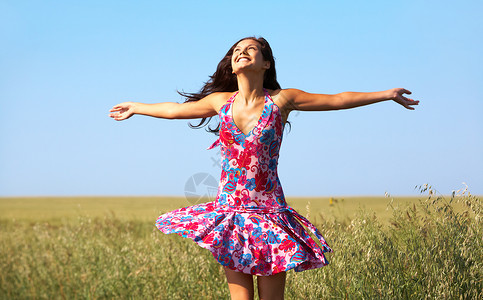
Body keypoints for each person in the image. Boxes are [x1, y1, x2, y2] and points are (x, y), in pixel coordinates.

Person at [109, 36, 419, 300]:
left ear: (265, 64)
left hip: (270, 214)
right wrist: (137, 107)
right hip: (229, 214)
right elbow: (175, 110)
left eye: (251, 49)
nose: (242, 52)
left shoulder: (283, 100)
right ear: (232, 66)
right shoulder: (220, 102)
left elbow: (337, 99)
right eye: (236, 51)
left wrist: (386, 95)